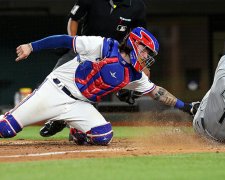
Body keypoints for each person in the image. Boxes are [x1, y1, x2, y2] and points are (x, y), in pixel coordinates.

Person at [0, 27, 197, 145]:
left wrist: (187, 107)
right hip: (56, 90)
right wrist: (31, 47)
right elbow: (65, 40)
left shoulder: (134, 75)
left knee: (103, 136)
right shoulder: (103, 46)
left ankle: (76, 129)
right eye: (146, 52)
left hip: (79, 104)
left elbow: (157, 93)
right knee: (6, 129)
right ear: (136, 44)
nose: (147, 58)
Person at [40, 0, 149, 137]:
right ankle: (57, 119)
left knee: (92, 93)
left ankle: (81, 128)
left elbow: (140, 38)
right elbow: (73, 19)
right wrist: (73, 43)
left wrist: (141, 65)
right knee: (56, 76)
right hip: (85, 49)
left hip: (111, 56)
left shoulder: (137, 6)